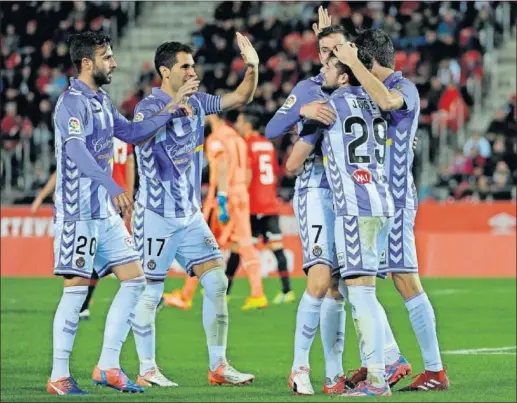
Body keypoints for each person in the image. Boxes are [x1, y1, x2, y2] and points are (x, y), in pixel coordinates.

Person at [47, 31, 186, 396]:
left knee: (135, 279)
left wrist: (170, 109)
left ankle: (108, 365)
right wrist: (113, 186)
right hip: (78, 211)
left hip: (103, 213)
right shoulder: (70, 104)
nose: (115, 62)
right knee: (76, 291)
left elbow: (134, 133)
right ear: (88, 63)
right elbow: (76, 152)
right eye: (107, 57)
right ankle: (59, 376)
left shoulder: (102, 101)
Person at [130, 34, 259, 387]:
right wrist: (174, 105)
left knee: (217, 281)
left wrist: (253, 67)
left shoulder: (199, 103)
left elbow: (240, 97)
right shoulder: (147, 106)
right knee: (151, 293)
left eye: (192, 64)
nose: (192, 70)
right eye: (185, 66)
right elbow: (137, 136)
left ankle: (218, 366)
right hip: (156, 214)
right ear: (165, 71)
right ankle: (146, 368)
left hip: (188, 215)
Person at [334, 28, 449, 392]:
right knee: (355, 280)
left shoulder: (404, 88)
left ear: (369, 61)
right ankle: (390, 359)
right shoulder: (376, 91)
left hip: (395, 201)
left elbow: (387, 102)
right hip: (374, 201)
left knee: (403, 280)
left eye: (359, 65)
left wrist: (352, 62)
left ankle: (433, 370)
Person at [286, 51, 395, 397]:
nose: (322, 73)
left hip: (351, 208)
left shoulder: (329, 107)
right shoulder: (377, 102)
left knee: (360, 295)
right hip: (382, 204)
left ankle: (377, 379)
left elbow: (292, 162)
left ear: (344, 76)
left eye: (330, 68)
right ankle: (370, 372)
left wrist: (302, 113)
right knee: (357, 291)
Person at [265, 18, 350, 395]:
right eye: (326, 50)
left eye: (338, 48)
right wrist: (305, 113)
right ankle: (299, 366)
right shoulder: (306, 89)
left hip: (349, 192)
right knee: (318, 279)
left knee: (338, 285)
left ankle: (334, 374)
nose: (332, 55)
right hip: (316, 188)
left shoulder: (358, 84)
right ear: (318, 55)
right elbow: (271, 130)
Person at [163, 113, 267, 311]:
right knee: (244, 244)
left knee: (203, 244)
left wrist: (222, 197)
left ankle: (185, 297)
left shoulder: (216, 139)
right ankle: (257, 294)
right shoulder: (238, 138)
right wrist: (239, 193)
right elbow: (247, 171)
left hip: (223, 197)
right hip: (240, 195)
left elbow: (221, 166)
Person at [31, 140, 138, 321]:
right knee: (102, 257)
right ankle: (86, 304)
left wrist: (42, 196)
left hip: (98, 203)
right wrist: (128, 196)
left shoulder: (95, 139)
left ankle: (82, 304)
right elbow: (130, 164)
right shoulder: (123, 141)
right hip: (115, 202)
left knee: (91, 256)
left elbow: (66, 170)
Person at [235, 112, 294, 304]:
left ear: (248, 125)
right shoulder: (268, 145)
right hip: (270, 202)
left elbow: (249, 173)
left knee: (240, 246)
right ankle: (287, 291)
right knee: (277, 247)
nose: (238, 124)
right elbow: (275, 172)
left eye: (241, 121)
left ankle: (225, 292)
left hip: (253, 204)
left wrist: (240, 195)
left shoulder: (246, 145)